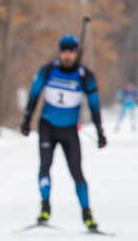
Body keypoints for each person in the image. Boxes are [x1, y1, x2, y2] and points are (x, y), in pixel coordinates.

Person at [20, 34, 105, 230]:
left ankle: (87, 215)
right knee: (45, 166)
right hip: (47, 127)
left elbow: (94, 105)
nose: (67, 56)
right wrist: (26, 121)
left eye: (71, 52)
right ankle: (45, 208)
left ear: (76, 53)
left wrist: (100, 132)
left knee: (77, 172)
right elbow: (33, 95)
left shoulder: (85, 76)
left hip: (69, 131)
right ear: (60, 52)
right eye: (64, 52)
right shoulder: (48, 70)